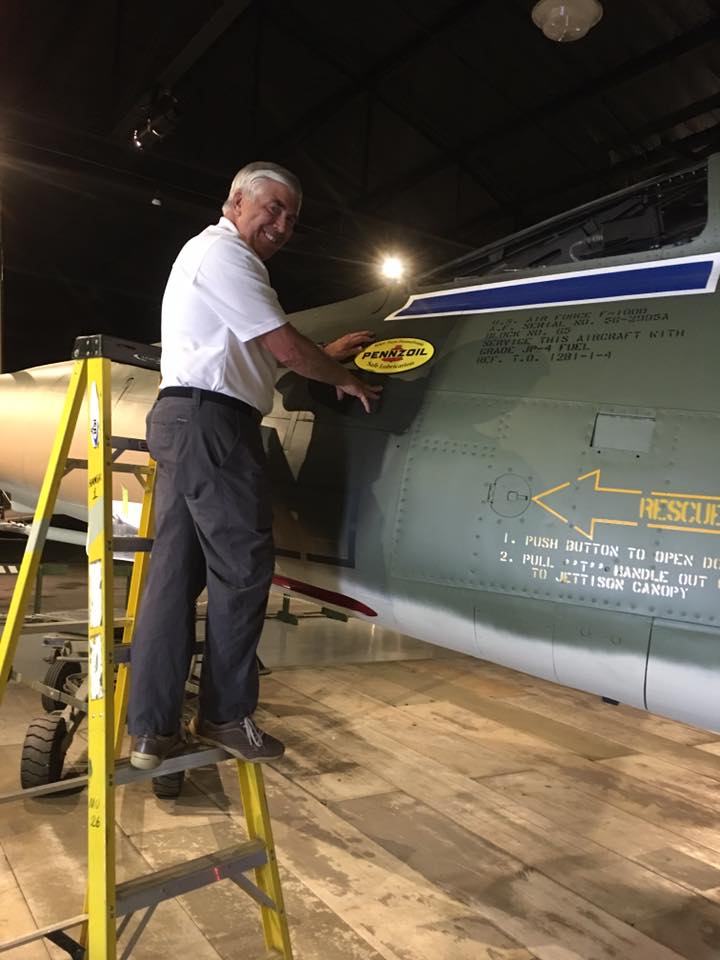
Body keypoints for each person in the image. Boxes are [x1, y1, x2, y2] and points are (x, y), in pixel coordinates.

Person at [128, 161, 381, 769]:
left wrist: (322, 352)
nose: (283, 223)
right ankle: (223, 715)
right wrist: (341, 377)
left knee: (173, 579)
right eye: (272, 208)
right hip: (213, 424)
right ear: (236, 201)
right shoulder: (227, 257)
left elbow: (257, 358)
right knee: (243, 571)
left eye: (292, 216)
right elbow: (281, 346)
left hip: (187, 421)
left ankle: (152, 730)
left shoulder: (214, 261)